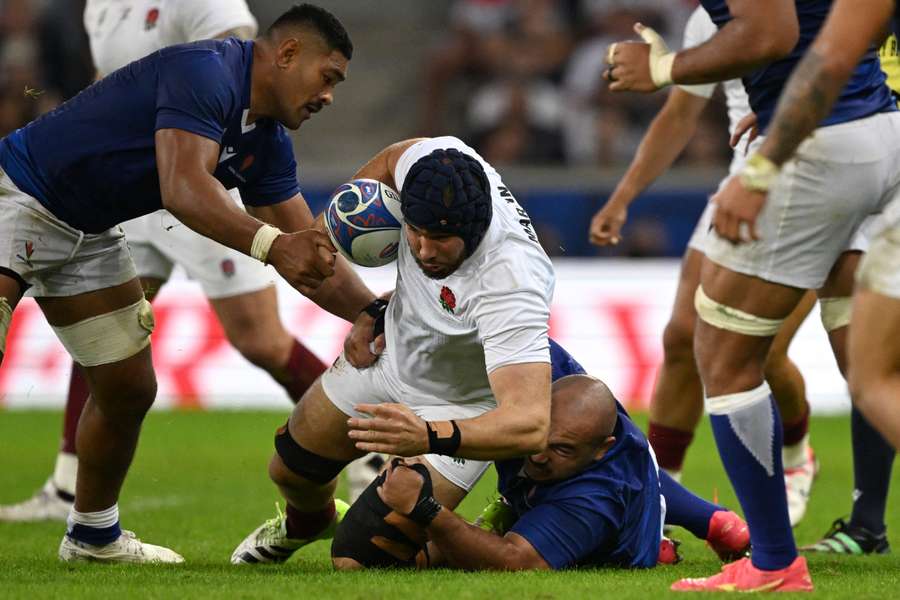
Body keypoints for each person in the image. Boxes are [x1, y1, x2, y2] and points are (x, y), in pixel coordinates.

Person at [0, 3, 377, 563]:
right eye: (329, 78)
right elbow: (182, 187)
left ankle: (91, 537)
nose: (328, 97)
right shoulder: (207, 72)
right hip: (23, 194)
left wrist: (376, 313)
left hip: (89, 231)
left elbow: (309, 256)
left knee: (129, 388)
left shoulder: (266, 141)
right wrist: (273, 246)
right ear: (290, 54)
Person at [605, 0, 900, 592]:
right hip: (874, 133)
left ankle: (773, 560)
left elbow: (772, 33)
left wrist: (668, 72)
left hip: (820, 150)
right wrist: (779, 105)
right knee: (871, 375)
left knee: (725, 351)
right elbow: (835, 43)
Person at [230, 135, 555, 565]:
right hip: (388, 357)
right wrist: (327, 242)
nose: (423, 250)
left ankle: (487, 540)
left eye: (440, 239)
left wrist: (427, 435)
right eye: (414, 232)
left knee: (356, 559)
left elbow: (530, 423)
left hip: (456, 408)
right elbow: (389, 159)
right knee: (290, 469)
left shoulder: (512, 283)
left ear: (473, 228)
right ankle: (306, 524)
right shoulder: (436, 164)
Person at [590, 6, 819, 527]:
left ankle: (797, 452)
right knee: (680, 337)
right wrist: (622, 196)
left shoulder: (806, 14)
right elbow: (679, 115)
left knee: (762, 351)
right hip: (745, 181)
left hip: (817, 178)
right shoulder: (706, 19)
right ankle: (654, 494)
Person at [704, 0, 900, 557]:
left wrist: (766, 165)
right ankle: (864, 523)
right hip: (866, 146)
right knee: (869, 371)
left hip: (858, 155)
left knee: (734, 347)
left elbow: (826, 54)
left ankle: (810, 539)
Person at [333, 342, 751, 571]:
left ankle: (656, 540)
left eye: (562, 448)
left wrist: (427, 510)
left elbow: (516, 561)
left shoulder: (591, 497)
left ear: (598, 449)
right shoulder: (544, 375)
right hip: (611, 458)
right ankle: (710, 522)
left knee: (370, 558)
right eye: (540, 436)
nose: (538, 454)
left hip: (596, 510)